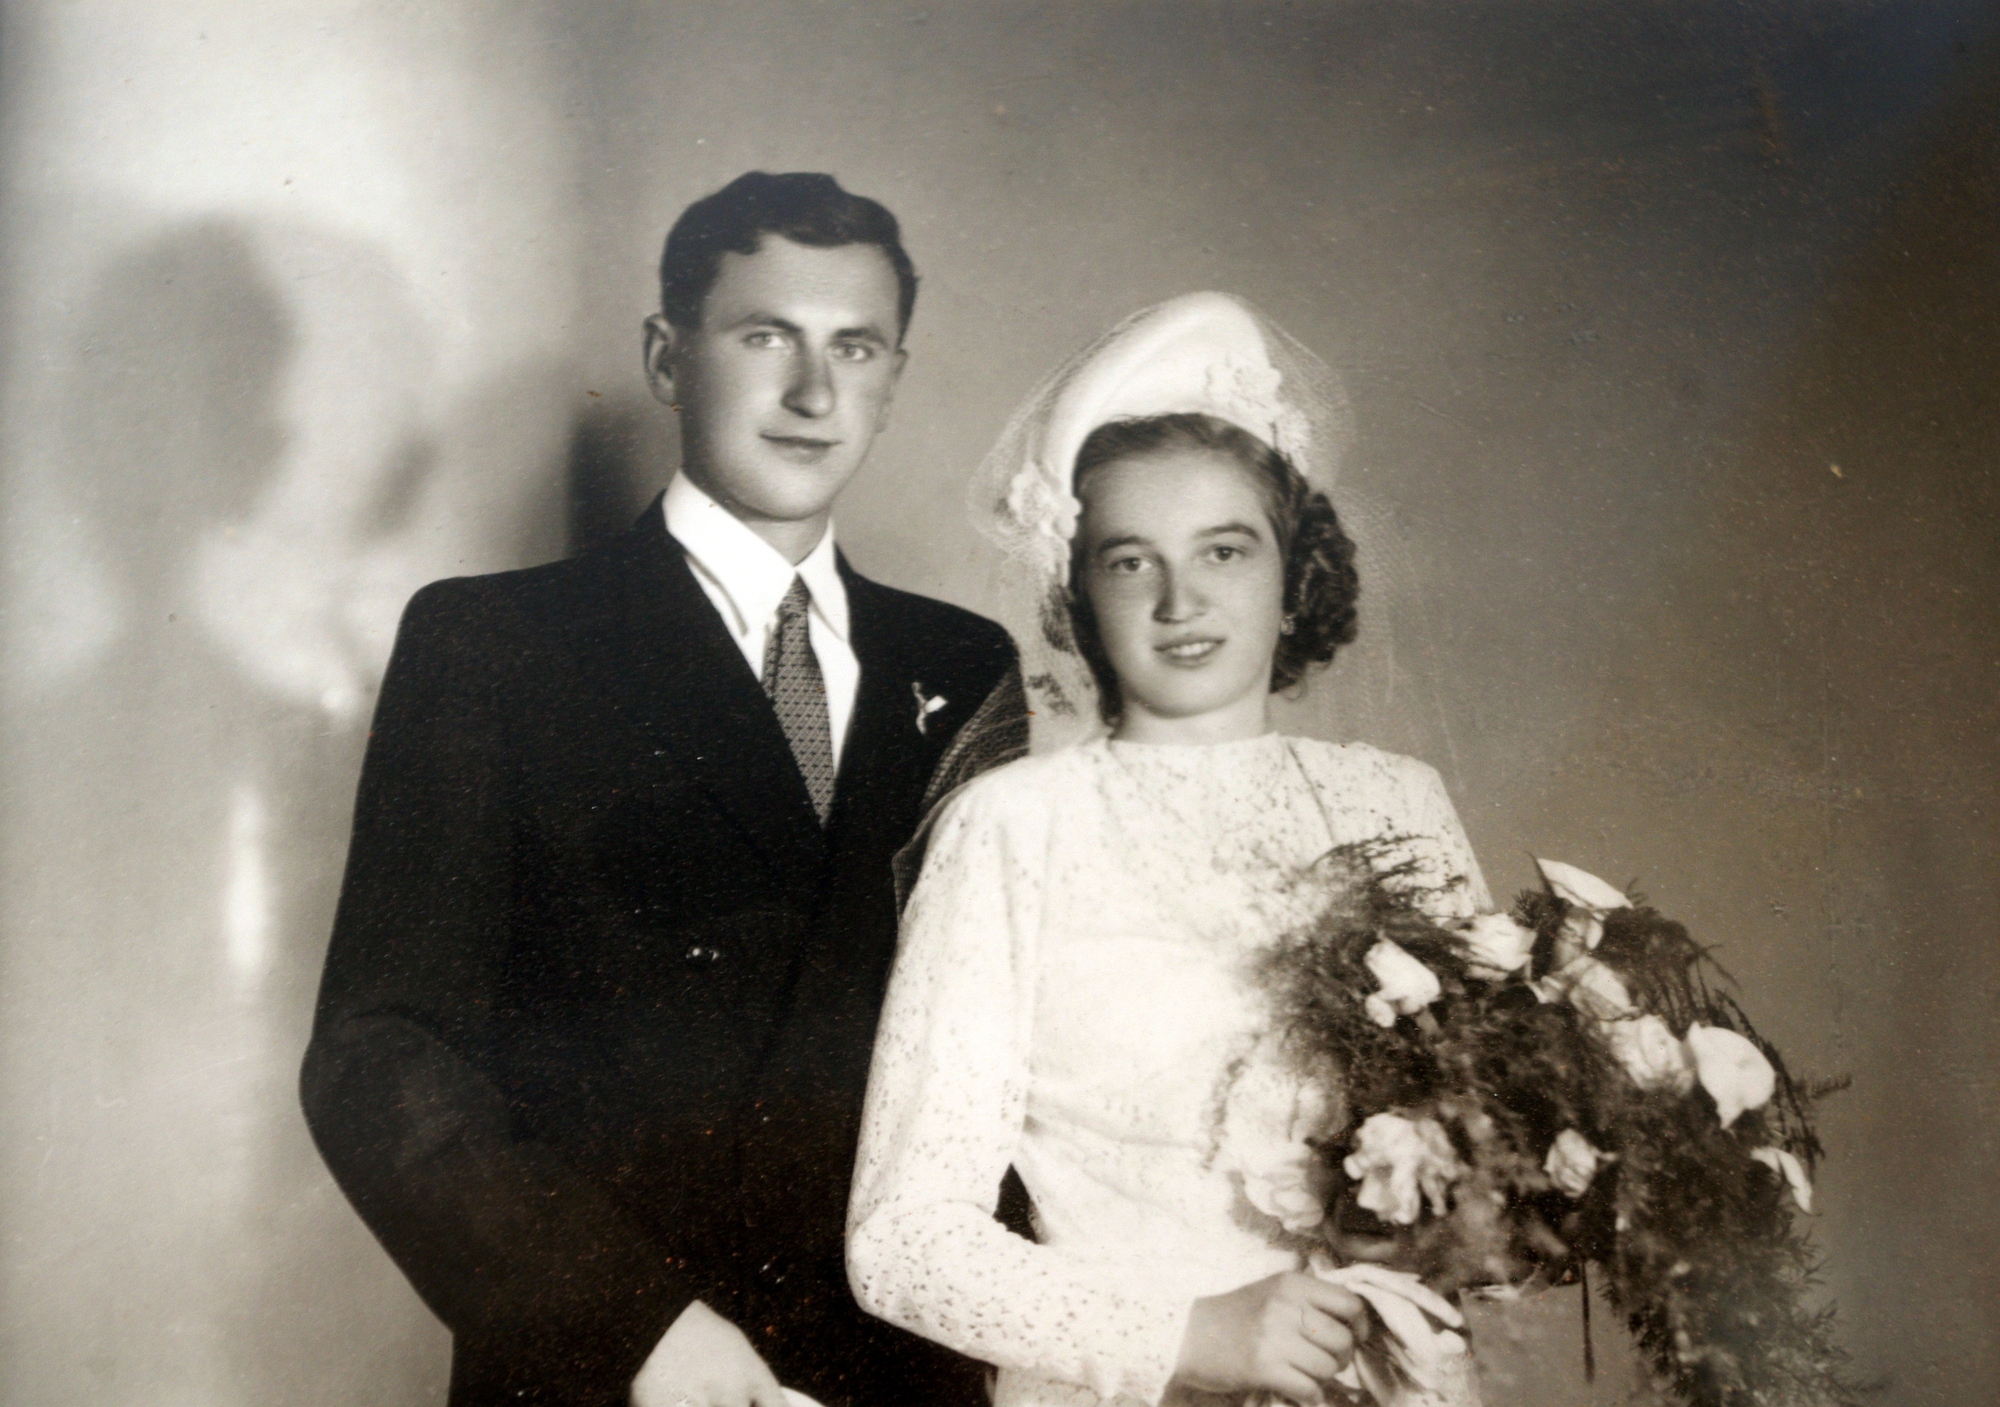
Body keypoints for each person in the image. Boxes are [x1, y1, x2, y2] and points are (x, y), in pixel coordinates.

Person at [301, 172, 1023, 1407]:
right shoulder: (496, 642)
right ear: (665, 357)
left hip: (900, 1366)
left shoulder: (961, 665)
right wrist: (634, 1329)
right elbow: (379, 1056)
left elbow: (998, 1046)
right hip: (614, 1367)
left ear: (893, 379)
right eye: (765, 337)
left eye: (854, 348)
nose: (813, 393)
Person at [847, 294, 1491, 1406]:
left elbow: (1495, 1154)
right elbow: (902, 1240)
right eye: (1129, 562)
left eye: (1224, 551)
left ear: (1294, 578)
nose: (1181, 599)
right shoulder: (1011, 828)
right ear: (1078, 598)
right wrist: (1183, 1335)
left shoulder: (1398, 802)